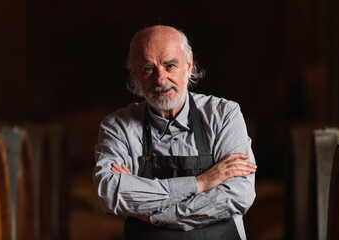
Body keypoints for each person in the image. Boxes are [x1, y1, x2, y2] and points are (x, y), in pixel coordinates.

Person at [93, 25, 257, 240]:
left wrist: (154, 215)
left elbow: (237, 195)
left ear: (188, 67)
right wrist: (200, 183)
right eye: (148, 69)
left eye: (170, 65)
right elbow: (111, 193)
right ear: (134, 74)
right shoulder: (117, 127)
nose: (161, 79)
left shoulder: (224, 115)